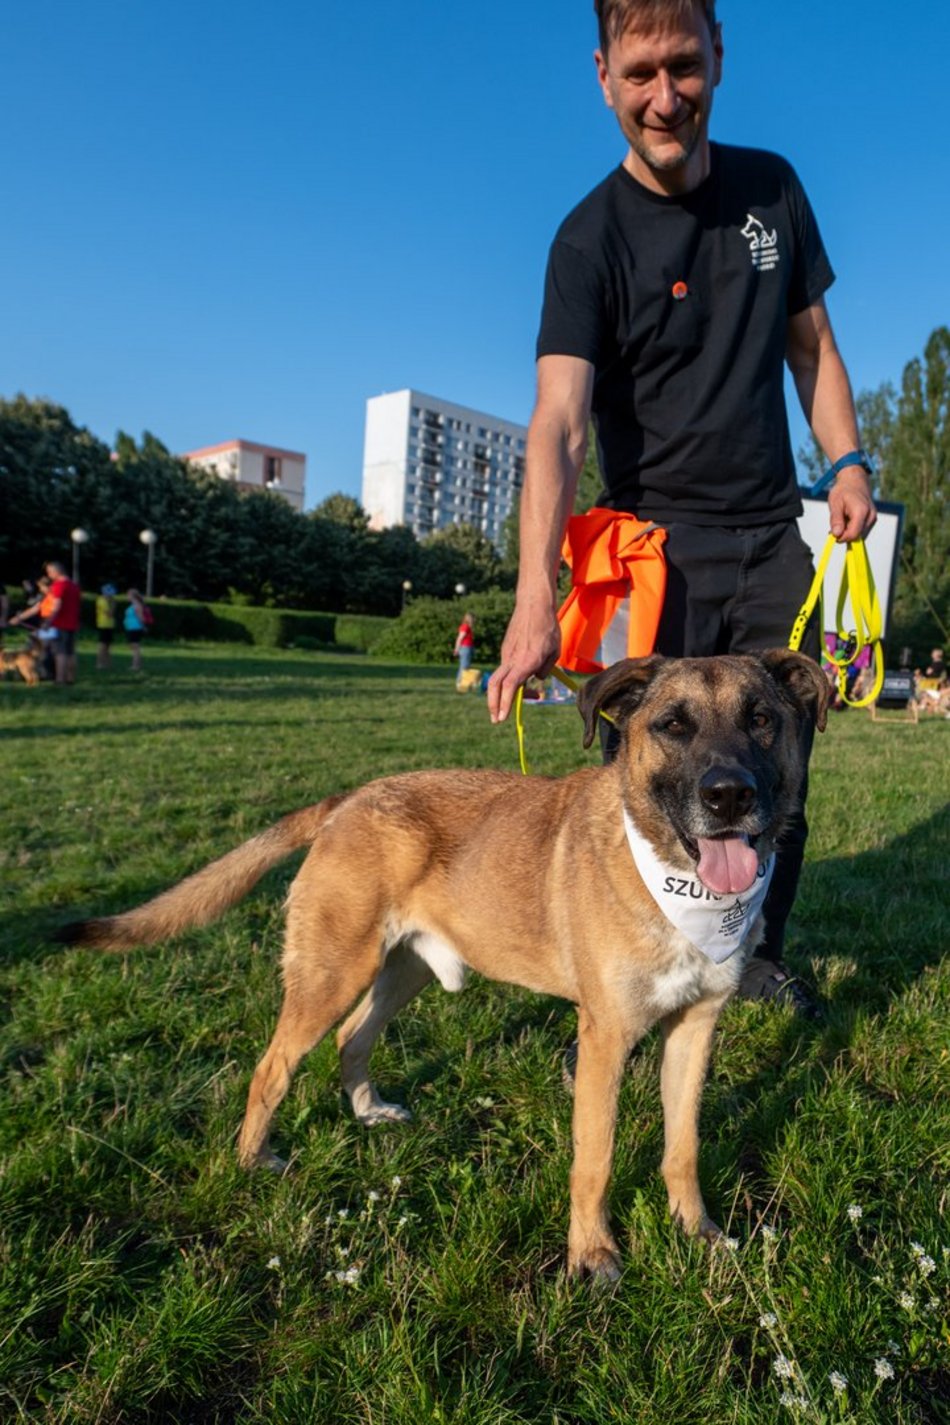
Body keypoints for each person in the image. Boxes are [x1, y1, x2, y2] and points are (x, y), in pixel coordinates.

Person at [487, 0, 876, 1015]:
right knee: (646, 776)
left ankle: (754, 955)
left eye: (685, 67)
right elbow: (558, 423)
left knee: (776, 760)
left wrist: (845, 462)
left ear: (718, 58)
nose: (665, 98)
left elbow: (813, 350)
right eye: (640, 74)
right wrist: (534, 596)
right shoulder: (587, 241)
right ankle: (629, 966)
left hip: (770, 539)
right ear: (603, 76)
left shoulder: (771, 190)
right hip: (649, 553)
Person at [11, 561, 81, 684]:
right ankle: (70, 678)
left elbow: (56, 606)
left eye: (49, 572)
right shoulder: (73, 585)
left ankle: (60, 679)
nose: (49, 575)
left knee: (60, 653)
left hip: (59, 624)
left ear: (56, 571)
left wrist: (48, 621)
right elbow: (39, 607)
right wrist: (20, 618)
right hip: (71, 624)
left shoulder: (59, 585)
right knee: (70, 652)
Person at [124, 588, 149, 671]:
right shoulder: (132, 605)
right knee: (134, 647)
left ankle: (135, 666)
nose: (127, 597)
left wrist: (143, 626)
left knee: (135, 647)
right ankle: (137, 664)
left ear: (132, 596)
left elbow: (141, 618)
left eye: (128, 595)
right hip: (130, 628)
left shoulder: (137, 605)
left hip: (135, 628)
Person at [96, 584, 118, 670]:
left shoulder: (109, 601)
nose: (112, 596)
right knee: (103, 645)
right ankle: (99, 663)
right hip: (103, 625)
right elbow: (110, 614)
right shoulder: (102, 601)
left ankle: (107, 663)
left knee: (108, 645)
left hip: (110, 625)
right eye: (110, 595)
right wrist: (113, 604)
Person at [454, 612, 475, 687]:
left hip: (468, 648)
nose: (474, 620)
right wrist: (456, 649)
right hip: (465, 648)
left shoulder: (468, 627)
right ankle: (459, 682)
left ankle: (465, 683)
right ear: (470, 619)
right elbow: (460, 638)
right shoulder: (465, 627)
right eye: (473, 618)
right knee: (464, 666)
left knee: (467, 666)